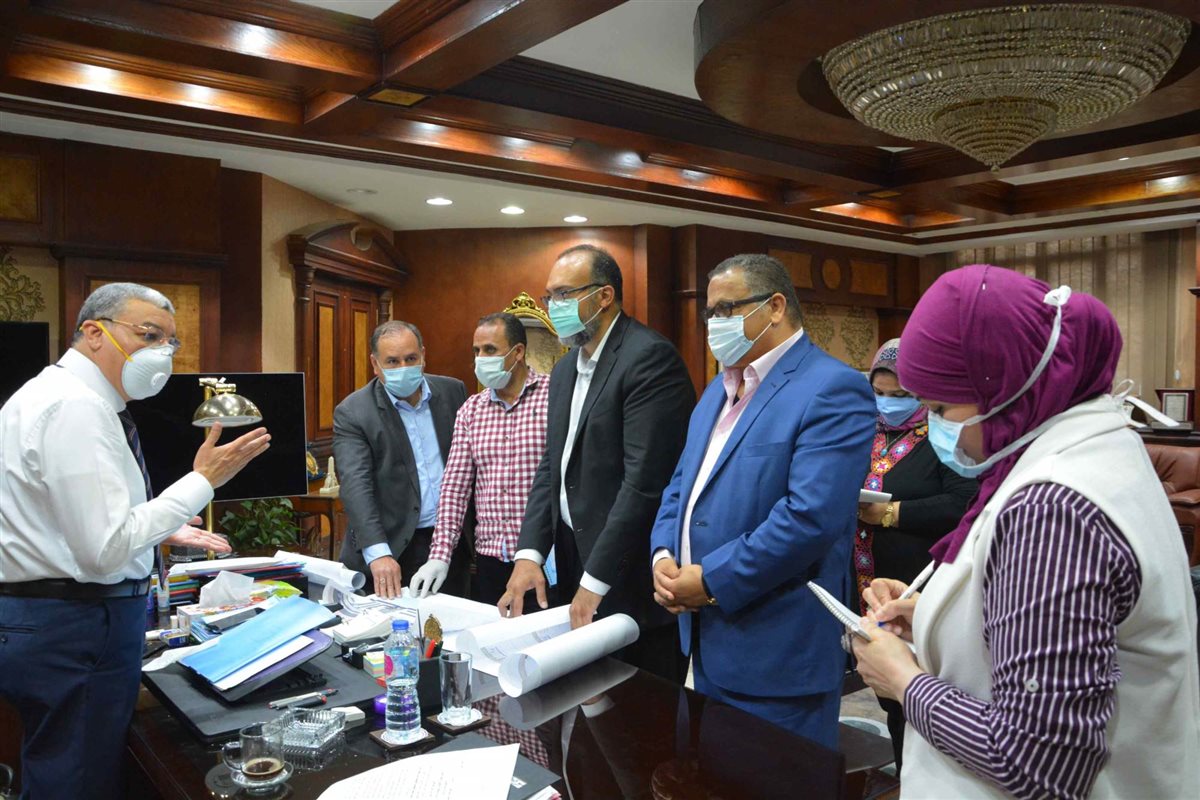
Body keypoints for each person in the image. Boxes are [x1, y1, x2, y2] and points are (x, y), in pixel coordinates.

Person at [852, 265, 1200, 799]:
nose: (938, 426)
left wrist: (903, 680)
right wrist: (938, 617)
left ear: (1004, 386)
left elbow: (1039, 762)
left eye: (941, 408)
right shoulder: (1099, 442)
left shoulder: (1053, 509)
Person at [0, 283, 270, 799]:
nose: (162, 353)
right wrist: (202, 481)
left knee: (64, 768)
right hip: (77, 624)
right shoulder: (74, 407)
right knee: (77, 782)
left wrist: (163, 527)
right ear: (93, 332)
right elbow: (103, 548)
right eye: (148, 335)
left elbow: (64, 517)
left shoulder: (56, 395)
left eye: (170, 341)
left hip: (54, 618)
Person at [649, 253, 876, 748]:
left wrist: (710, 580)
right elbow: (681, 485)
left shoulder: (833, 388)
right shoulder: (718, 388)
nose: (714, 324)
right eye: (709, 312)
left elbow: (808, 518)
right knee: (717, 775)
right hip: (708, 640)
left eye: (726, 310)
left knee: (776, 779)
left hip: (778, 651)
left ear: (775, 307)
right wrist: (663, 554)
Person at [498, 244, 695, 682]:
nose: (554, 306)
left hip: (628, 574)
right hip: (573, 559)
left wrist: (596, 580)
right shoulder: (566, 368)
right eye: (550, 295)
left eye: (564, 295)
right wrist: (530, 554)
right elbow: (552, 467)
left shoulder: (648, 358)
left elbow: (644, 483)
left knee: (642, 708)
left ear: (604, 296)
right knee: (582, 700)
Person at [854, 337, 976, 769]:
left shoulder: (944, 435)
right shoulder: (865, 429)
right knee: (888, 697)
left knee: (919, 696)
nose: (888, 403)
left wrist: (889, 514)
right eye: (880, 393)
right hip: (866, 581)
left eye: (902, 395)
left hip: (918, 582)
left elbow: (963, 502)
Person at [410, 312, 550, 604]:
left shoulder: (554, 396)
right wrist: (439, 556)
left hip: (545, 558)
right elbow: (455, 487)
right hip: (490, 559)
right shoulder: (472, 410)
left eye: (490, 350)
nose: (481, 359)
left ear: (518, 352)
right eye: (476, 351)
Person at [334, 320, 470, 598]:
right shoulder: (354, 412)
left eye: (411, 358)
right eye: (392, 362)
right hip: (393, 547)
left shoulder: (453, 392)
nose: (403, 368)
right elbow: (356, 485)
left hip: (450, 543)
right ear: (375, 364)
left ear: (423, 355)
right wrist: (379, 553)